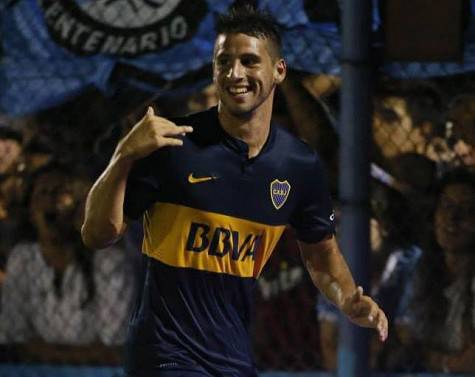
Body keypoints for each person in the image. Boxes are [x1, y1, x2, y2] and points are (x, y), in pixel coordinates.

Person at [81, 6, 388, 377]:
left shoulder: (298, 165)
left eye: (248, 61)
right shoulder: (173, 143)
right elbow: (97, 235)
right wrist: (122, 156)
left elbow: (321, 256)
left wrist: (347, 298)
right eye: (223, 61)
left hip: (232, 359)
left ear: (279, 71)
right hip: (164, 355)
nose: (234, 73)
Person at [0, 165, 133, 364]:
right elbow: (13, 337)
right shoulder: (23, 259)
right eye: (43, 193)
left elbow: (114, 345)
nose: (51, 200)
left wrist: (49, 356)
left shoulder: (108, 262)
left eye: (61, 192)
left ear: (80, 207)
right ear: (30, 210)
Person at [388, 168, 475, 373]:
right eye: (446, 206)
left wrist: (437, 361)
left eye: (468, 210)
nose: (452, 218)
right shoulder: (420, 267)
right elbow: (404, 340)